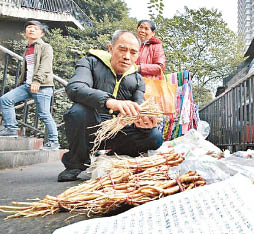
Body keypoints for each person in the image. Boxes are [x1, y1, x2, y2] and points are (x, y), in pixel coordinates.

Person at [58, 30, 163, 182]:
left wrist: (143, 122)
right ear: (110, 48)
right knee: (77, 112)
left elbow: (139, 104)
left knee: (154, 137)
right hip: (91, 128)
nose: (127, 56)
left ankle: (113, 155)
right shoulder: (90, 63)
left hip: (119, 130)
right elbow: (75, 87)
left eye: (133, 52)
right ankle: (75, 164)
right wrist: (110, 102)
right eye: (122, 49)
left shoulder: (138, 79)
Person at [0, 20, 60, 150]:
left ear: (42, 33)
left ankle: (54, 141)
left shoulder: (46, 47)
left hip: (42, 86)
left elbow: (45, 66)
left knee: (44, 114)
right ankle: (11, 129)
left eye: (35, 28)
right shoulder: (28, 48)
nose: (31, 30)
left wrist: (37, 81)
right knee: (6, 100)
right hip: (28, 85)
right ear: (25, 32)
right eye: (29, 28)